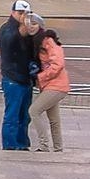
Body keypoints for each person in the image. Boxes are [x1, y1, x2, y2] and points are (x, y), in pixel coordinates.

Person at [0, 0, 37, 150]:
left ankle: (22, 144)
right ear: (13, 12)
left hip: (25, 78)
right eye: (20, 13)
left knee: (25, 116)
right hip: (13, 79)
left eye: (26, 14)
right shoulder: (7, 29)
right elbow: (8, 42)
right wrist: (21, 31)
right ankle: (10, 145)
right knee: (12, 115)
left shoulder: (27, 30)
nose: (23, 16)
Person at [30, 24, 70, 153]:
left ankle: (44, 145)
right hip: (49, 85)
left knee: (34, 111)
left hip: (56, 85)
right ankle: (58, 148)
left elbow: (58, 64)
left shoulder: (48, 41)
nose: (31, 27)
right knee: (54, 119)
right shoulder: (38, 42)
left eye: (34, 24)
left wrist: (40, 77)